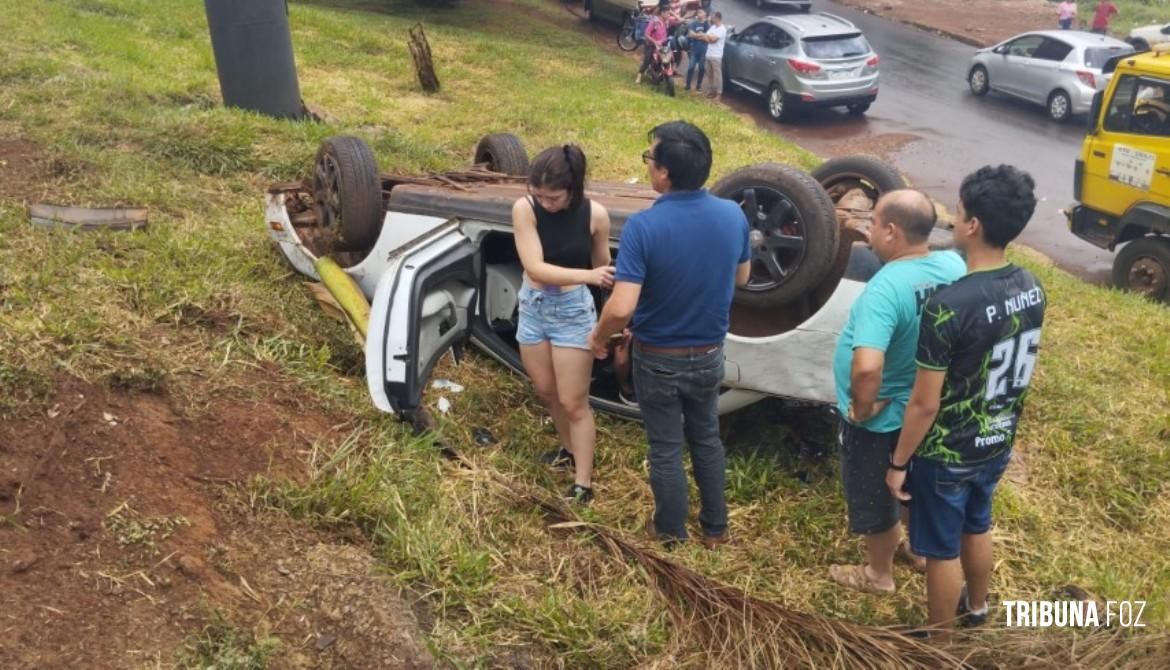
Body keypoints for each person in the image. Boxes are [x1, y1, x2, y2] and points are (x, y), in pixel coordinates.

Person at [886, 165, 1045, 636]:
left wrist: (899, 462)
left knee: (940, 549)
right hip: (997, 438)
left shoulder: (947, 306)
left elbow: (924, 404)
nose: (953, 219)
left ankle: (940, 641)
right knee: (978, 523)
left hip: (947, 453)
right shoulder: (1031, 285)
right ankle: (977, 609)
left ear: (973, 225)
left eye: (957, 212)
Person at [588, 121, 751, 547]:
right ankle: (716, 530)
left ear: (664, 173)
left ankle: (671, 533)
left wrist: (599, 336)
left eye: (650, 159)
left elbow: (622, 306)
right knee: (706, 438)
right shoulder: (733, 214)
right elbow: (743, 275)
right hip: (710, 353)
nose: (648, 167)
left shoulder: (644, 227)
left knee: (665, 447)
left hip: (658, 357)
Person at [828, 190, 966, 596]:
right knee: (912, 482)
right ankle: (921, 551)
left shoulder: (885, 288)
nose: (868, 231)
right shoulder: (951, 264)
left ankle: (878, 574)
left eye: (872, 224)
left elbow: (868, 366)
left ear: (891, 231)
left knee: (875, 492)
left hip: (881, 417)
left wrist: (862, 406)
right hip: (923, 407)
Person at [512, 145, 615, 506]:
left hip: (572, 310)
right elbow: (535, 267)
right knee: (545, 390)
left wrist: (610, 320)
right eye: (539, 195)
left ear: (573, 189)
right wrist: (589, 274)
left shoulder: (596, 216)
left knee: (574, 402)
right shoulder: (524, 208)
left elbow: (605, 269)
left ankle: (583, 483)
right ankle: (568, 448)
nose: (546, 203)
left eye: (553, 197)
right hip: (533, 305)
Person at [636, 6, 669, 85]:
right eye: (667, 13)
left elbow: (664, 36)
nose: (668, 15)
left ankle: (661, 76)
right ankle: (639, 75)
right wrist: (654, 42)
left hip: (660, 46)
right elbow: (646, 34)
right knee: (647, 59)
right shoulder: (654, 21)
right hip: (650, 44)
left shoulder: (665, 23)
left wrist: (661, 42)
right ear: (662, 13)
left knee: (665, 59)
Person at [684, 9, 711, 93]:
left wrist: (697, 35)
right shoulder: (694, 24)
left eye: (701, 12)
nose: (699, 14)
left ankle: (698, 85)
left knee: (702, 68)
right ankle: (687, 84)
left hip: (704, 50)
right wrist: (702, 35)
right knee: (691, 67)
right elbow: (691, 34)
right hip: (694, 50)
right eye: (698, 12)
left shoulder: (707, 25)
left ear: (705, 14)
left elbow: (708, 38)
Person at [704, 12, 727, 99]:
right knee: (709, 74)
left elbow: (714, 40)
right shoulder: (712, 27)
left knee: (717, 76)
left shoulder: (722, 29)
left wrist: (709, 37)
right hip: (709, 54)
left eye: (712, 17)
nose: (710, 19)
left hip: (716, 55)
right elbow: (705, 37)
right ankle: (711, 90)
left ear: (717, 18)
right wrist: (709, 37)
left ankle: (718, 93)